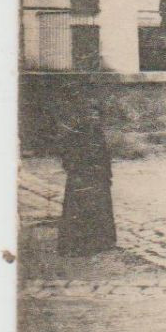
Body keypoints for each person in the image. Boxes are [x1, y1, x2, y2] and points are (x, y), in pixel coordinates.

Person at [58, 108, 116, 256]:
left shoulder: (98, 133)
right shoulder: (76, 134)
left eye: (96, 115)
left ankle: (102, 242)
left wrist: (107, 174)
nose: (93, 118)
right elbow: (67, 154)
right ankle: (77, 245)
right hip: (80, 177)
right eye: (90, 114)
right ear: (84, 116)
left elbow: (105, 156)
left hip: (98, 177)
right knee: (79, 209)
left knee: (100, 208)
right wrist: (75, 169)